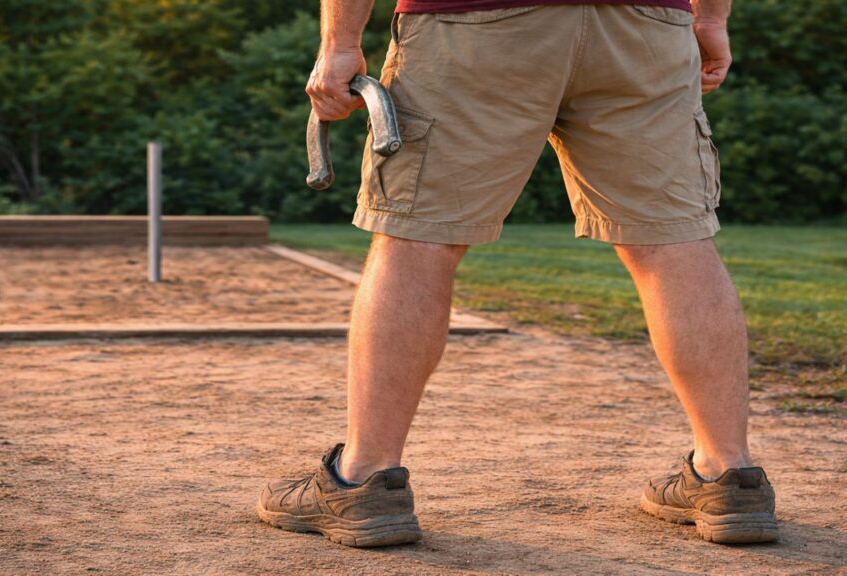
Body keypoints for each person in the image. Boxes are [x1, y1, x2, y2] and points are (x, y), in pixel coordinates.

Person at [256, 0, 779, 547]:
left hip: (473, 24)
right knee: (674, 241)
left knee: (418, 240)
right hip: (643, 24)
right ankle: (728, 476)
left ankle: (362, 481)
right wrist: (710, 18)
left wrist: (340, 42)